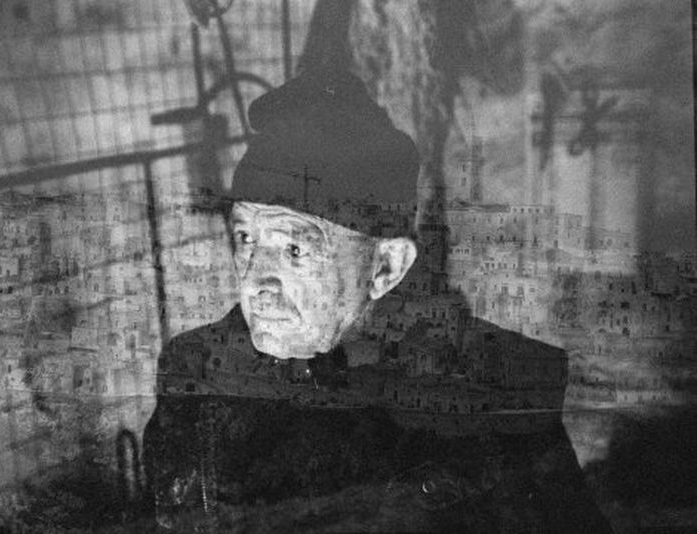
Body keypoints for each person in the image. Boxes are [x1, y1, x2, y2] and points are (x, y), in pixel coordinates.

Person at [143, 69, 612, 533]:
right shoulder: (196, 373)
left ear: (386, 267)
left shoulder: (488, 397)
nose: (254, 283)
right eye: (245, 239)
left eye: (294, 250)